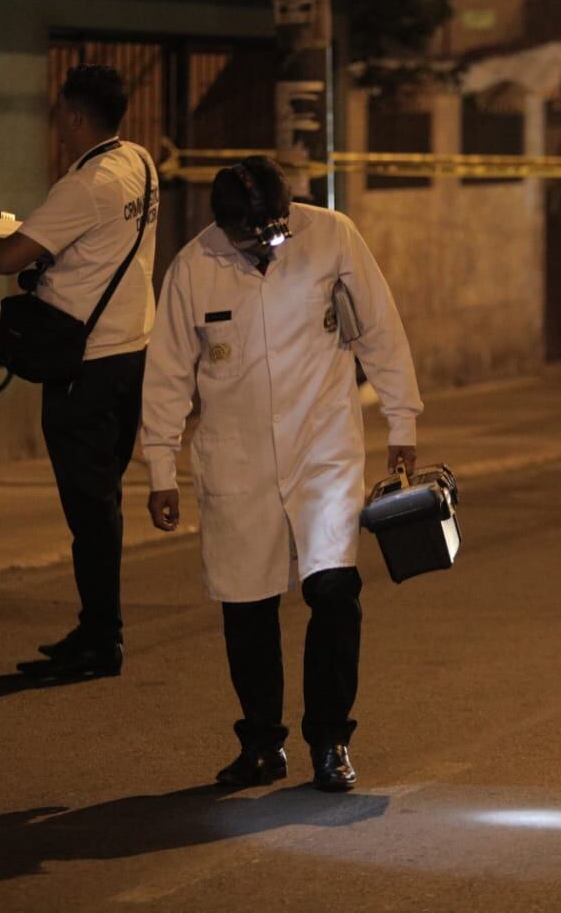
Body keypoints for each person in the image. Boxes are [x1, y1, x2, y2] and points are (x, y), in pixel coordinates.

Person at [141, 156, 423, 793]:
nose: (269, 246)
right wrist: (160, 465)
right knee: (247, 605)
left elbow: (381, 329)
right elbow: (166, 377)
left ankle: (330, 741)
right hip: (237, 456)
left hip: (324, 449)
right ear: (224, 227)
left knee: (334, 594)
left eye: (276, 231)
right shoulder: (192, 267)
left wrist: (402, 422)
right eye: (253, 238)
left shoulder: (332, 236)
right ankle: (262, 743)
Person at [0, 64, 157, 681]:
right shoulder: (139, 163)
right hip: (130, 354)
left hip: (85, 364)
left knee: (89, 510)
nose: (55, 122)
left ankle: (102, 638)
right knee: (101, 503)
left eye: (58, 112)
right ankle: (97, 628)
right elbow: (85, 243)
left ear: (74, 115)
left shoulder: (86, 184)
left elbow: (13, 257)